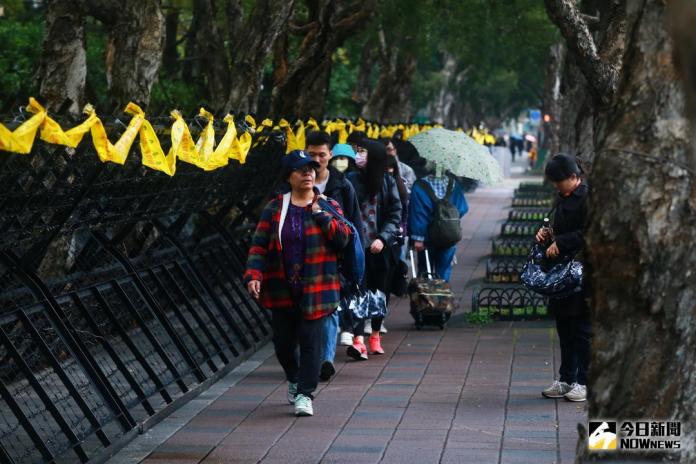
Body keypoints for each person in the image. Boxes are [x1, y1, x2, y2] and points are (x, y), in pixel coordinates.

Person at [244, 150, 352, 417]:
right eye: (301, 170)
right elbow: (259, 245)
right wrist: (253, 275)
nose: (308, 174)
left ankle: (305, 393)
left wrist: (322, 216)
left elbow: (344, 238)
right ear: (289, 176)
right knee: (282, 344)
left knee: (310, 342)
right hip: (281, 288)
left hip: (317, 288)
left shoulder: (327, 204)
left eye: (311, 169)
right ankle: (293, 378)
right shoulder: (275, 208)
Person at [304, 131, 363, 382]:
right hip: (302, 259)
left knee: (330, 310)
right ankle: (308, 358)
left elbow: (353, 224)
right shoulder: (295, 182)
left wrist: (354, 260)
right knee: (303, 313)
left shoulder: (342, 184)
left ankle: (326, 359)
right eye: (311, 154)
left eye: (322, 154)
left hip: (332, 260)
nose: (317, 160)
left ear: (330, 155)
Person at [538, 154, 590, 403]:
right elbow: (557, 226)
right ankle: (566, 377)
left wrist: (562, 241)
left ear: (573, 177)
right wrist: (546, 233)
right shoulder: (561, 199)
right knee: (565, 329)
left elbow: (590, 232)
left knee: (581, 329)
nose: (557, 186)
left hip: (581, 272)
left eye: (560, 181)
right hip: (560, 274)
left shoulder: (587, 199)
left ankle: (584, 380)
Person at [346, 139, 402, 359]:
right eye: (357, 151)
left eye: (363, 152)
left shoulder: (387, 181)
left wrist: (383, 238)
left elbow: (395, 213)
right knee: (358, 292)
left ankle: (375, 335)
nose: (358, 156)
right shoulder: (350, 180)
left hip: (381, 248)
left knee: (379, 292)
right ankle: (358, 340)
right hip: (357, 247)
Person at [408, 167, 468, 282]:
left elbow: (417, 213)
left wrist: (418, 238)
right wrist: (450, 219)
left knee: (425, 270)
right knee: (444, 270)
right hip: (449, 236)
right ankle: (441, 297)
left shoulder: (419, 186)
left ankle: (426, 298)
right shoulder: (454, 185)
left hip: (426, 238)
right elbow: (463, 208)